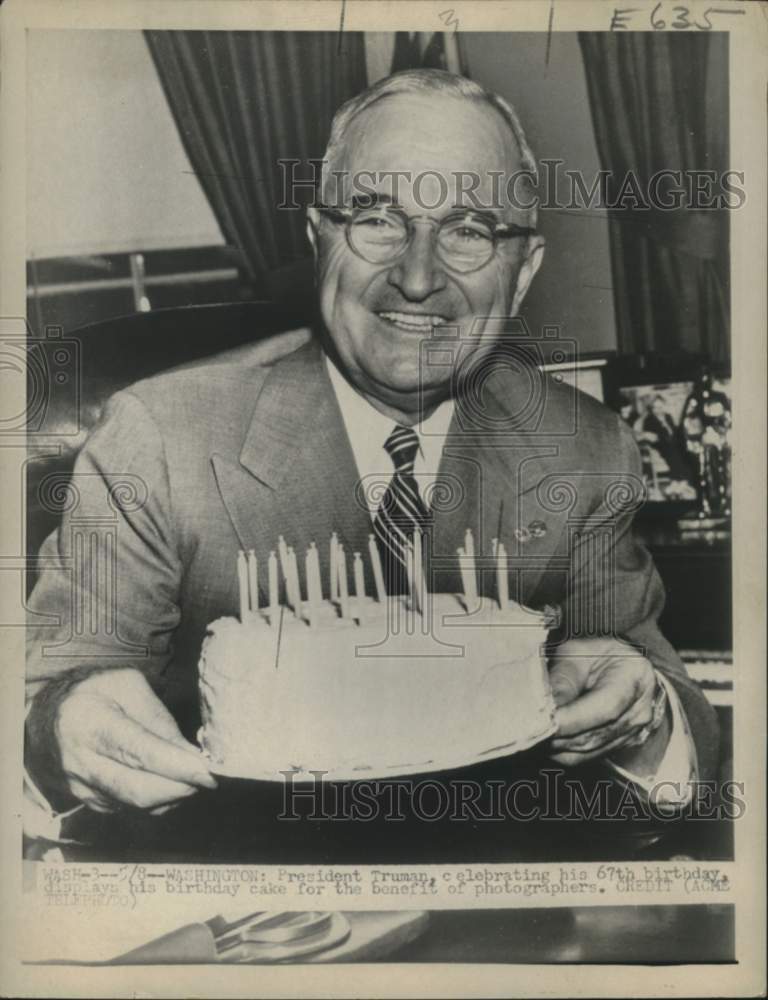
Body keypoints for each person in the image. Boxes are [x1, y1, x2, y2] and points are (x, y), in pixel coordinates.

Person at [25, 70, 718, 860]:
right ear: (318, 239)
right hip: (244, 903)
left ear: (523, 272)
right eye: (377, 220)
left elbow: (679, 723)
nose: (418, 278)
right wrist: (61, 726)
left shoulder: (581, 448)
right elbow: (47, 695)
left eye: (469, 230)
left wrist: (640, 709)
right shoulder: (163, 436)